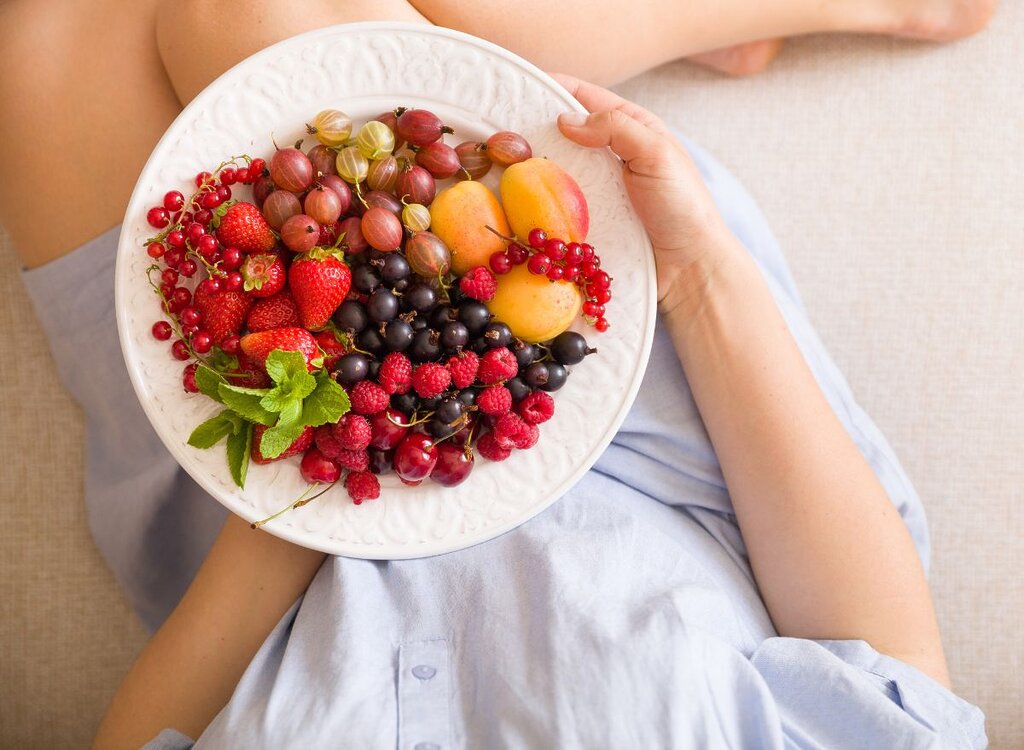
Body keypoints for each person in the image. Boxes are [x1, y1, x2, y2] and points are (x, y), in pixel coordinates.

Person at [0, 2, 994, 748]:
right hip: (603, 421)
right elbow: (889, 663)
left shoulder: (283, 486)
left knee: (54, 28)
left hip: (268, 494)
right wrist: (696, 277)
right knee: (252, 10)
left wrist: (306, 489)